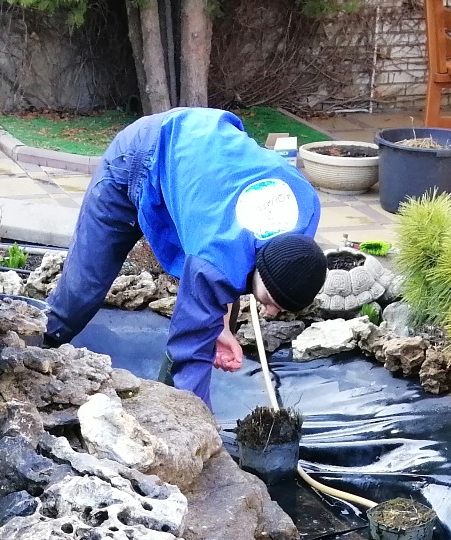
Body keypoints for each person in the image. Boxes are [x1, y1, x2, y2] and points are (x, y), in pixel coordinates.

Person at [43, 108, 329, 410]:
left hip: (201, 162)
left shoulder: (306, 208)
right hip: (140, 155)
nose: (270, 313)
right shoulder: (216, 258)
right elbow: (190, 354)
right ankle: (30, 357)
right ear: (262, 267)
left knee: (213, 307)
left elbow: (230, 273)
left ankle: (161, 410)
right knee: (81, 292)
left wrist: (219, 327)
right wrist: (201, 430)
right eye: (271, 301)